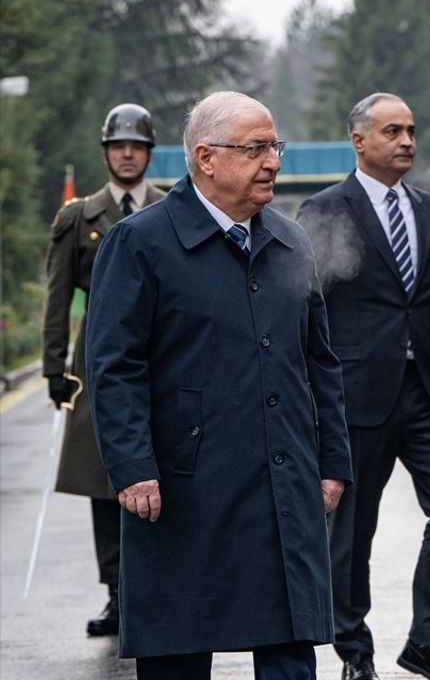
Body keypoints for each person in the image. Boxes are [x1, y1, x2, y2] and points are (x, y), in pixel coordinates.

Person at [86, 91, 352, 679]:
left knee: (289, 655)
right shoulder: (141, 243)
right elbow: (114, 364)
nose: (274, 162)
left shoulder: (290, 241)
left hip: (282, 486)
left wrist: (332, 460)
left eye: (274, 146)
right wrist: (131, 466)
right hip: (184, 491)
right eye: (256, 148)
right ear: (206, 157)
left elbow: (321, 362)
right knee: (178, 651)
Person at [297, 93, 430, 680]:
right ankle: (354, 652)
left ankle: (429, 639)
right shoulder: (324, 211)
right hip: (355, 395)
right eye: (392, 131)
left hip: (426, 391)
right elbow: (307, 309)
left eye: (411, 130)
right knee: (351, 534)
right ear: (359, 141)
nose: (406, 142)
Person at [41, 102, 165, 637]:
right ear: (107, 152)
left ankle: (156, 587)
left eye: (137, 145)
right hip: (95, 360)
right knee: (103, 479)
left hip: (160, 353)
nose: (128, 154)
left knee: (160, 471)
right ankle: (117, 592)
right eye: (119, 145)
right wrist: (53, 368)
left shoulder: (171, 207)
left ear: (149, 153)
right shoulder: (78, 217)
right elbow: (55, 296)